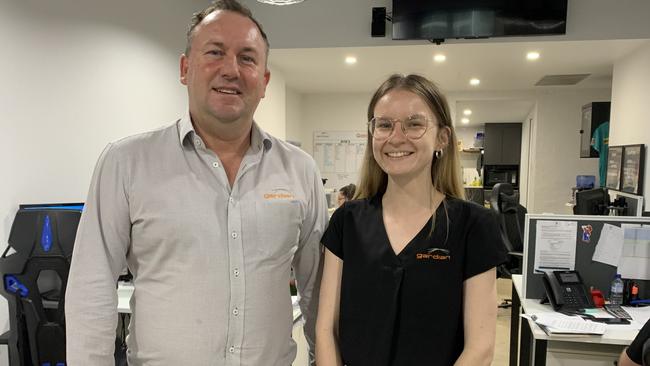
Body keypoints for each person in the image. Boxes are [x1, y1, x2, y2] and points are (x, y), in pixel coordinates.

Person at [65, 1, 328, 365]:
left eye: (248, 58)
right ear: (185, 68)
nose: (231, 69)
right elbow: (90, 289)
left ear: (264, 81)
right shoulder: (126, 163)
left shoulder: (300, 170)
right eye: (215, 52)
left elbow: (318, 290)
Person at [315, 74, 506, 366]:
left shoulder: (473, 225)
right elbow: (326, 330)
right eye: (384, 125)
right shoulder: (347, 222)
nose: (396, 137)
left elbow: (480, 350)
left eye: (414, 124)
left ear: (442, 137)